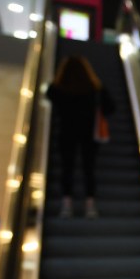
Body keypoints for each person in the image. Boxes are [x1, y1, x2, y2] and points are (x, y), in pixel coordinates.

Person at [46, 55, 114, 218]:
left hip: (66, 132)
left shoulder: (58, 88)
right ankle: (90, 205)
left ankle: (66, 205)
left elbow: (49, 96)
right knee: (89, 168)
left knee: (66, 168)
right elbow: (111, 107)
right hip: (89, 134)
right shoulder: (95, 88)